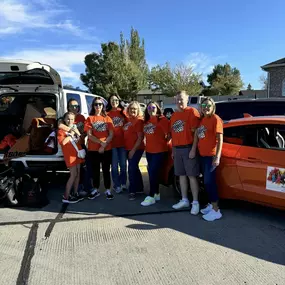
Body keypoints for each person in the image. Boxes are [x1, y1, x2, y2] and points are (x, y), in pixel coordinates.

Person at [192, 97, 223, 221]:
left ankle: (216, 210)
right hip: (202, 155)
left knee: (209, 182)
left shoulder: (216, 119)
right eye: (204, 106)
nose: (206, 108)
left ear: (213, 107)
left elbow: (220, 139)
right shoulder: (202, 120)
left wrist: (217, 157)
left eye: (208, 106)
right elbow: (198, 136)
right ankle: (211, 205)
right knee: (205, 182)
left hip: (211, 156)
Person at [170, 90, 201, 214]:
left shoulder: (192, 112)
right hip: (177, 149)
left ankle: (195, 202)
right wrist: (173, 149)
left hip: (188, 148)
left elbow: (196, 133)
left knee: (192, 176)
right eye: (177, 99)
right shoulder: (174, 116)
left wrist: (193, 149)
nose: (179, 101)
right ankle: (184, 199)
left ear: (187, 99)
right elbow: (173, 134)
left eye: (181, 99)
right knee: (181, 175)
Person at [58, 99, 93, 195]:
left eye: (77, 106)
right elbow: (60, 126)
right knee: (76, 172)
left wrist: (82, 135)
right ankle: (73, 191)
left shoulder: (82, 117)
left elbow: (85, 130)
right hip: (72, 146)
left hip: (80, 144)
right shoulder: (65, 118)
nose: (75, 108)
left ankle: (85, 188)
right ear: (68, 107)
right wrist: (72, 131)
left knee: (86, 167)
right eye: (72, 106)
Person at [84, 97, 114, 200]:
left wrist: (104, 145)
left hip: (106, 149)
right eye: (96, 104)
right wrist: (101, 143)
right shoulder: (90, 119)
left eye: (100, 104)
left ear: (103, 106)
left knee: (106, 170)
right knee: (95, 170)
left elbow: (111, 134)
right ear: (93, 106)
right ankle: (96, 189)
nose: (98, 106)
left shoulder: (107, 118)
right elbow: (90, 135)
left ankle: (108, 190)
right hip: (93, 149)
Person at [141, 102, 170, 206]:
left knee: (153, 172)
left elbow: (169, 134)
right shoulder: (146, 121)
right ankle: (156, 193)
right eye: (149, 107)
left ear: (157, 108)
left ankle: (151, 195)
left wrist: (165, 142)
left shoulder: (162, 120)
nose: (151, 109)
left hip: (160, 151)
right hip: (149, 151)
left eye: (153, 107)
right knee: (152, 173)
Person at [57, 112, 85, 204]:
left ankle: (75, 193)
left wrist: (77, 133)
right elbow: (63, 142)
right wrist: (71, 134)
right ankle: (66, 196)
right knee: (73, 175)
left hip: (77, 155)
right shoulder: (61, 131)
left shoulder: (75, 128)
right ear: (64, 120)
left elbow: (80, 141)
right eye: (68, 119)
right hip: (70, 157)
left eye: (72, 119)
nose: (70, 121)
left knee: (78, 175)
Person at [106, 94, 128, 194]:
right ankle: (116, 185)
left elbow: (129, 123)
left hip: (123, 143)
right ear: (109, 102)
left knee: (123, 165)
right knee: (114, 167)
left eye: (116, 100)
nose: (114, 102)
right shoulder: (107, 114)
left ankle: (123, 183)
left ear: (118, 101)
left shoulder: (123, 112)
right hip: (112, 144)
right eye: (112, 100)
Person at [123, 101, 144, 201]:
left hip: (136, 149)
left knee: (131, 168)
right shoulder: (128, 120)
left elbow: (140, 138)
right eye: (131, 109)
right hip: (127, 148)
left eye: (135, 109)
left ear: (138, 110)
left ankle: (132, 190)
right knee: (134, 167)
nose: (133, 110)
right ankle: (140, 187)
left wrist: (132, 150)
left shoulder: (139, 121)